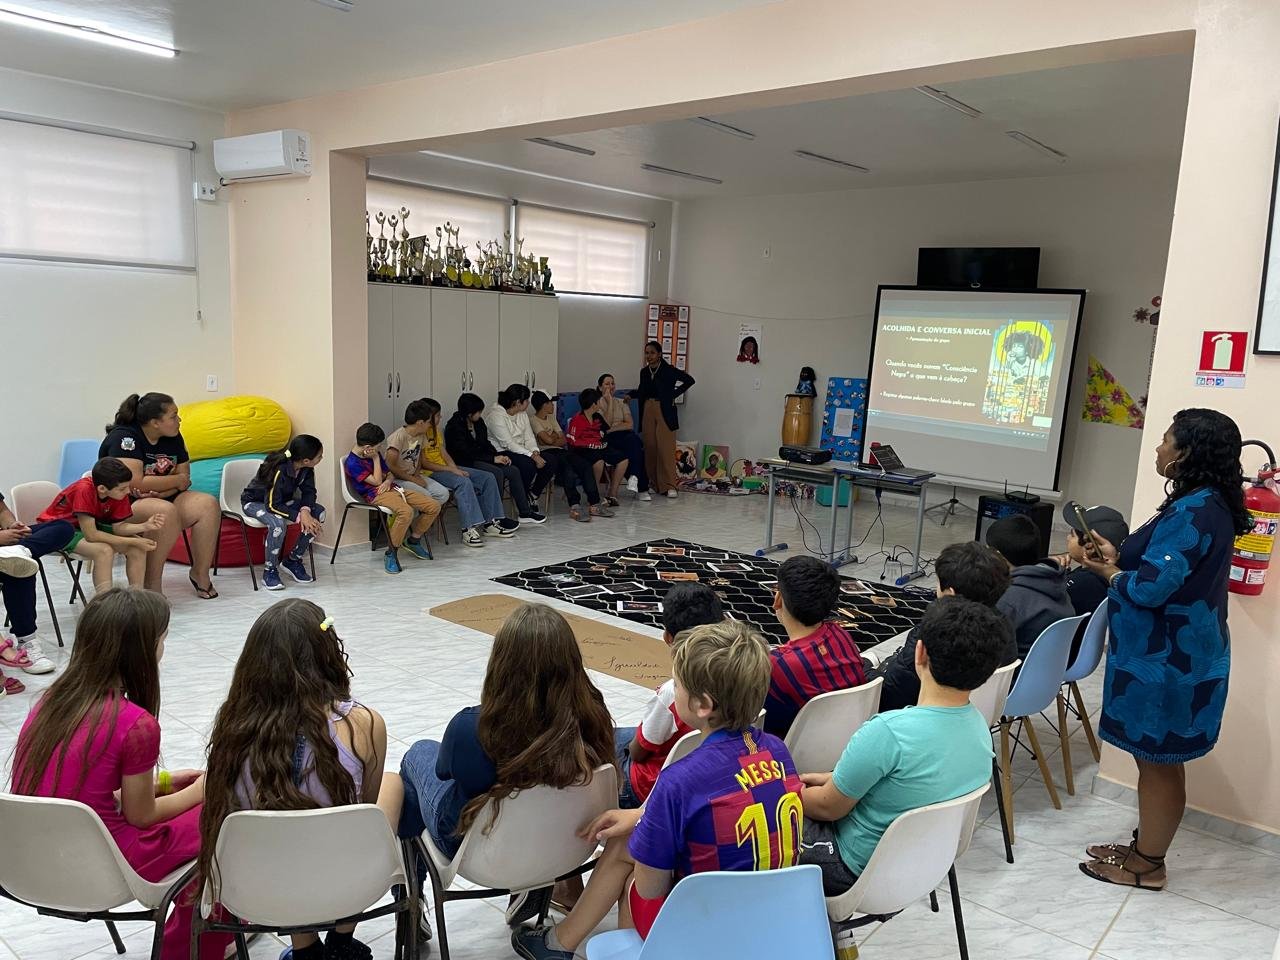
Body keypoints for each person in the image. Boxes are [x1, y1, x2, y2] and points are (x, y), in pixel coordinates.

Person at [511, 621, 802, 960]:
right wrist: (643, 819)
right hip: (771, 919)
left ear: (702, 704)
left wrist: (647, 837)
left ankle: (564, 944)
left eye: (677, 683)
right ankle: (560, 942)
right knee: (630, 842)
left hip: (706, 933)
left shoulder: (680, 779)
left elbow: (650, 888)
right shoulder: (778, 751)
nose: (672, 689)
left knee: (631, 880)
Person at [1075, 408, 1251, 890]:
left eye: (1166, 439)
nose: (1158, 447)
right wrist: (1118, 557)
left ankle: (1148, 866)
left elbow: (1151, 590)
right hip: (1181, 655)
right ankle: (1144, 848)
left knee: (1158, 765)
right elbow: (1165, 569)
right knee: (1159, 763)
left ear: (1186, 453)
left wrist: (1107, 573)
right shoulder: (1205, 500)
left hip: (1168, 664)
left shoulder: (1195, 511)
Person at [11, 588, 233, 960]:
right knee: (226, 818)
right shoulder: (135, 723)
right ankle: (191, 946)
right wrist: (205, 789)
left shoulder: (48, 702)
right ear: (141, 650)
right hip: (107, 864)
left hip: (32, 861)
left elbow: (78, 792)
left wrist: (164, 783)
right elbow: (141, 816)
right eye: (162, 639)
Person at [199, 599, 403, 960]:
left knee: (282, 823)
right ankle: (341, 940)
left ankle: (304, 948)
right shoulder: (363, 724)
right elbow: (365, 814)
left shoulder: (232, 731)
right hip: (349, 883)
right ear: (328, 653)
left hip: (262, 891)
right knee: (391, 784)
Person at [397, 603, 615, 922]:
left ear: (502, 663)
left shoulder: (471, 727)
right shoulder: (593, 716)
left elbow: (445, 771)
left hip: (480, 853)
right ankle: (533, 884)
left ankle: (410, 901)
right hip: (561, 845)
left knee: (416, 756)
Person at [797, 597, 1009, 896]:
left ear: (919, 653)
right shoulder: (980, 729)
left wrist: (785, 791)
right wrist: (835, 780)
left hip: (852, 870)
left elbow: (826, 807)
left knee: (753, 808)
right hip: (926, 867)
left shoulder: (887, 732)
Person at [101, 392, 222, 599]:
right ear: (155, 422)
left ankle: (200, 573)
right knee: (163, 511)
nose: (179, 420)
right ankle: (151, 583)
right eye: (173, 416)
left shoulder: (174, 436)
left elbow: (185, 477)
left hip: (166, 496)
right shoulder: (125, 438)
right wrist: (175, 481)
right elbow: (135, 482)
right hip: (124, 504)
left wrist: (165, 490)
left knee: (208, 504)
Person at [870, 541, 1013, 712]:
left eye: (937, 583)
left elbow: (891, 691)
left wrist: (866, 671)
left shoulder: (933, 635)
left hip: (912, 716)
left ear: (950, 594)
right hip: (978, 715)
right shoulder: (1003, 626)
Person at [617, 583, 725, 808]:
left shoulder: (674, 692)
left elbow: (637, 754)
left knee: (604, 744)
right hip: (707, 778)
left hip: (649, 789)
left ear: (668, 637)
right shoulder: (737, 680)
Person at [762, 556, 867, 737]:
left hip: (795, 746)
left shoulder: (778, 664)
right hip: (850, 735)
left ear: (777, 599)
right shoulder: (840, 634)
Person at [36, 457, 166, 595]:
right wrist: (133, 541)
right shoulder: (84, 489)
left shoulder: (118, 492)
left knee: (137, 548)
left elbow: (118, 528)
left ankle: (137, 597)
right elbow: (92, 536)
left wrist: (145, 526)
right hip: (58, 529)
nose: (128, 491)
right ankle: (105, 601)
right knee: (104, 551)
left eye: (127, 486)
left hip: (87, 526)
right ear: (102, 489)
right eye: (123, 488)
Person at [416, 397, 517, 547]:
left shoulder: (435, 430)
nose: (440, 417)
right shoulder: (420, 433)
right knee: (463, 482)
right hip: (430, 472)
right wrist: (452, 470)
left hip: (447, 468)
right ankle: (468, 529)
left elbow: (443, 453)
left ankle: (490, 523)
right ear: (428, 417)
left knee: (488, 477)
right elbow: (424, 463)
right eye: (437, 415)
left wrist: (455, 468)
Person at [343, 423, 441, 573]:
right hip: (375, 495)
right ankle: (391, 553)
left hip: (394, 488)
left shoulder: (372, 453)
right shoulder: (353, 463)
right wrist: (376, 458)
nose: (381, 448)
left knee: (433, 506)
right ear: (368, 447)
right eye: (379, 446)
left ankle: (413, 540)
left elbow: (389, 474)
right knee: (406, 512)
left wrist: (388, 481)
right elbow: (376, 482)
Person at [239, 434, 326, 591]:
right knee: (277, 524)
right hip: (255, 502)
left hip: (281, 502)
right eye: (319, 456)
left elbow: (309, 492)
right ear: (306, 460)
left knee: (318, 513)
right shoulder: (280, 470)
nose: (322, 458)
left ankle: (292, 560)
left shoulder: (307, 469)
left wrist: (305, 511)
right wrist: (299, 516)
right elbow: (272, 505)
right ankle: (270, 570)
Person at [0, 491, 71, 679]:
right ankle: (27, 640)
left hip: (6, 545)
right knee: (19, 569)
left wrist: (12, 526)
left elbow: (2, 511)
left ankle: (21, 550)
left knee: (63, 527)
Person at [446, 392, 546, 525]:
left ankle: (525, 512)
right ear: (469, 413)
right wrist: (492, 459)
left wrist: (497, 456)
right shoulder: (454, 426)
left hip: (483, 458)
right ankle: (495, 517)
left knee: (513, 470)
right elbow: (465, 452)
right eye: (478, 412)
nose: (480, 415)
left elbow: (485, 443)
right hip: (466, 462)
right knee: (496, 472)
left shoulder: (478, 422)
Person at [985, 514, 1075, 659]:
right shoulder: (1055, 579)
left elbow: (985, 648)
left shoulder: (1007, 600)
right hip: (1050, 667)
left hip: (1013, 670)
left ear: (997, 556)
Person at [529, 391, 608, 521]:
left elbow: (563, 439)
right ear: (544, 405)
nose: (553, 405)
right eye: (550, 403)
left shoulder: (551, 417)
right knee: (568, 469)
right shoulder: (533, 420)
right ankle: (574, 505)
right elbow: (548, 441)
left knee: (585, 465)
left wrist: (551, 438)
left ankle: (594, 503)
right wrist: (552, 438)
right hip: (547, 453)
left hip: (561, 450)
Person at [486, 384, 558, 513]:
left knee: (551, 460)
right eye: (526, 400)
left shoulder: (522, 414)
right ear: (518, 402)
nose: (529, 403)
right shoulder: (495, 416)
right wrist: (532, 455)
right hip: (502, 452)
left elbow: (529, 437)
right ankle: (522, 500)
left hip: (524, 450)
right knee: (527, 464)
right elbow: (508, 443)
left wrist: (535, 451)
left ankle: (533, 495)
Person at [636, 341, 695, 498]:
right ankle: (652, 483)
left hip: (665, 409)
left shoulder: (669, 370)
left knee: (665, 447)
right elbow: (642, 390)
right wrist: (631, 395)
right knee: (650, 446)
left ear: (659, 354)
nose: (649, 356)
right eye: (647, 353)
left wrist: (673, 395)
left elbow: (689, 380)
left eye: (652, 353)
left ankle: (669, 485)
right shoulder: (644, 372)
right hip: (648, 408)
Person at [1055, 503, 1130, 616]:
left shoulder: (1081, 584)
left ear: (1089, 546)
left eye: (1072, 535)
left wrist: (1052, 575)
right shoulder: (1116, 575)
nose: (1068, 538)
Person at [384, 399, 452, 508]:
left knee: (443, 494)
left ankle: (425, 515)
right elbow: (390, 465)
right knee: (425, 496)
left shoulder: (421, 435)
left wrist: (416, 475)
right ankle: (420, 513)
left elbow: (419, 457)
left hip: (413, 475)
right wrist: (413, 480)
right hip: (397, 479)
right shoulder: (398, 437)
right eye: (428, 422)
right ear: (420, 423)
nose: (430, 425)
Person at [567, 388, 629, 505]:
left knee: (623, 460)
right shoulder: (577, 419)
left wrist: (610, 402)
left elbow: (606, 428)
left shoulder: (597, 416)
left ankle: (612, 494)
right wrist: (590, 445)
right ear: (593, 404)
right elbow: (572, 441)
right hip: (584, 450)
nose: (600, 403)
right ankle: (593, 495)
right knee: (599, 462)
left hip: (601, 447)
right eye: (598, 401)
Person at [597, 375, 650, 502]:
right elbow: (606, 426)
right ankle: (641, 487)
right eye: (607, 384)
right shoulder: (597, 404)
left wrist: (612, 427)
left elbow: (630, 424)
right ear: (600, 387)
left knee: (634, 442)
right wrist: (610, 402)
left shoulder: (622, 402)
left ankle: (634, 477)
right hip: (607, 439)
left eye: (613, 384)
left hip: (625, 435)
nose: (611, 387)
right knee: (634, 447)